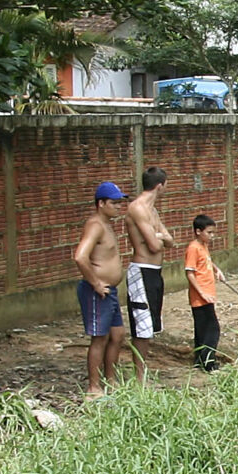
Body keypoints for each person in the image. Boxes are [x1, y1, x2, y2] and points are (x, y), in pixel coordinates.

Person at [72, 181, 131, 395]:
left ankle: (110, 381)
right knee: (100, 337)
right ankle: (94, 388)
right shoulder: (95, 225)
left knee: (117, 335)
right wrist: (96, 283)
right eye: (114, 203)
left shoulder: (106, 224)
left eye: (119, 203)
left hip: (110, 292)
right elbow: (80, 257)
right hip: (98, 291)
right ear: (101, 203)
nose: (118, 206)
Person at [122, 166, 176, 373]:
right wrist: (159, 238)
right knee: (141, 326)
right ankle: (139, 377)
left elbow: (169, 241)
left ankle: (143, 373)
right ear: (160, 186)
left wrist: (159, 236)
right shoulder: (138, 208)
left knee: (151, 325)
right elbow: (154, 245)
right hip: (141, 270)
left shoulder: (153, 211)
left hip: (155, 271)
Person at [184, 213, 221, 371]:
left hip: (208, 294)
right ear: (198, 231)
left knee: (202, 329)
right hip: (201, 297)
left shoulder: (203, 246)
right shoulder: (193, 248)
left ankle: (199, 360)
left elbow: (207, 261)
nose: (212, 236)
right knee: (212, 329)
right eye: (209, 232)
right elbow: (190, 272)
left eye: (213, 233)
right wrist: (201, 293)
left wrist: (217, 270)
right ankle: (208, 362)